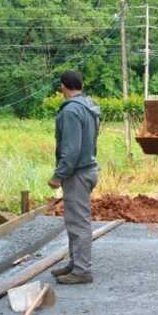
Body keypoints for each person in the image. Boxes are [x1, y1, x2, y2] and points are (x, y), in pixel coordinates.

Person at [48, 70, 100, 285]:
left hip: (77, 173)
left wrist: (58, 175)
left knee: (78, 223)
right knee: (74, 221)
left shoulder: (71, 111)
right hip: (88, 168)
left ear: (63, 86)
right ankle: (75, 263)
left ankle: (81, 270)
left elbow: (71, 149)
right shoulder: (89, 107)